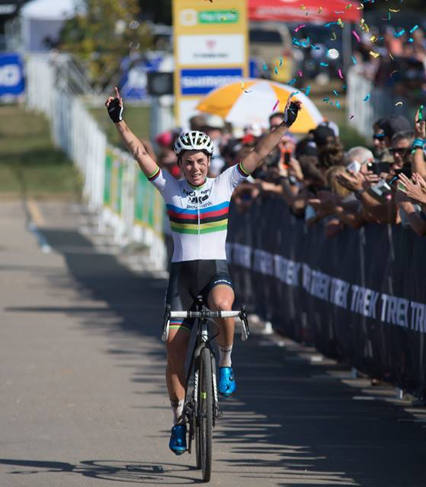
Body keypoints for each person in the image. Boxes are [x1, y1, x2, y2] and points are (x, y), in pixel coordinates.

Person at [104, 87, 301, 455]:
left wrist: (285, 126)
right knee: (173, 353)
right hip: (181, 277)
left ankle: (225, 362)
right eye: (188, 162)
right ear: (179, 164)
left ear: (209, 161)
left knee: (225, 306)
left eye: (200, 161)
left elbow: (259, 152)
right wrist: (119, 120)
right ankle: (179, 420)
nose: (195, 168)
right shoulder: (169, 188)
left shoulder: (225, 183)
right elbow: (138, 152)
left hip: (214, 271)